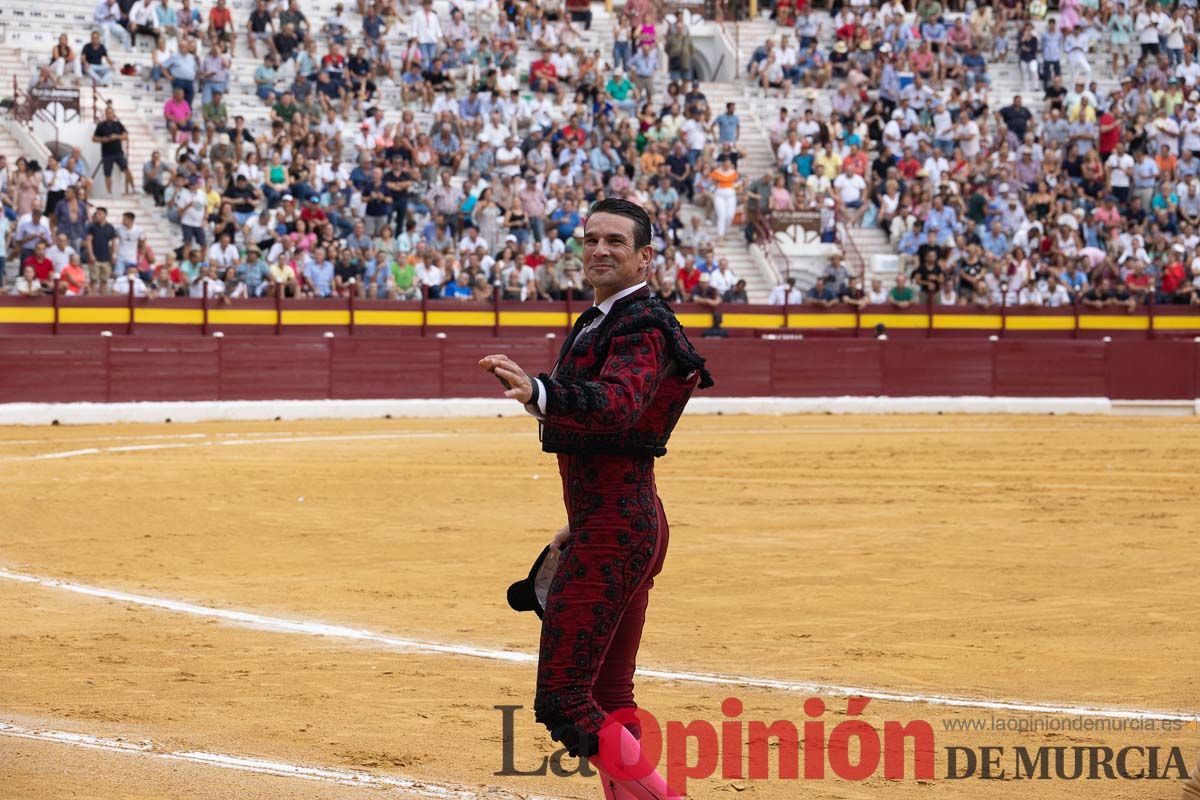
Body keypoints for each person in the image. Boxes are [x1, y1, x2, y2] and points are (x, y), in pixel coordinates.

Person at [477, 198, 711, 800]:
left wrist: (537, 389)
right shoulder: (606, 318)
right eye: (591, 240)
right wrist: (574, 521)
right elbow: (608, 429)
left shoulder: (641, 323)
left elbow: (618, 405)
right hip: (611, 523)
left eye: (615, 241)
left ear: (646, 257)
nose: (600, 250)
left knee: (564, 697)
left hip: (616, 531)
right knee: (608, 697)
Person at [93, 106, 136, 195]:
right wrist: (103, 139)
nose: (109, 115)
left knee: (127, 170)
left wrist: (116, 136)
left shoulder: (118, 124)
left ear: (113, 114)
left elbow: (126, 136)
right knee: (107, 174)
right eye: (107, 113)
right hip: (107, 154)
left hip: (118, 153)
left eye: (111, 113)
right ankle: (109, 193)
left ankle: (133, 189)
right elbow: (94, 138)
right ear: (105, 114)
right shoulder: (101, 125)